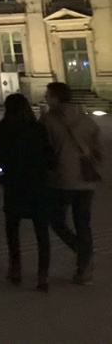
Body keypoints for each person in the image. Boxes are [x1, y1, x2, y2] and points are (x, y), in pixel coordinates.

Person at [41, 81, 102, 285]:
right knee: (83, 223)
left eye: (48, 96)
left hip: (62, 180)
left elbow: (43, 151)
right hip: (86, 181)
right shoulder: (86, 120)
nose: (45, 99)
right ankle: (84, 270)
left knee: (56, 220)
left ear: (57, 99)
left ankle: (80, 250)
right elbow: (99, 152)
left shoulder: (47, 120)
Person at [0, 93, 52, 290]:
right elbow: (49, 156)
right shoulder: (38, 128)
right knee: (41, 232)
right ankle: (42, 275)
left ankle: (15, 268)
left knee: (12, 228)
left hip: (14, 183)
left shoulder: (3, 128)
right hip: (38, 183)